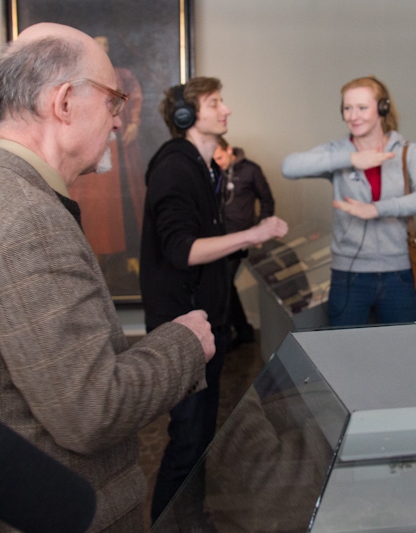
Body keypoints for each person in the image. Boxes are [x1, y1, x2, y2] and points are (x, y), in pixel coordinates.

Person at [0, 23, 216, 532]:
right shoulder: (28, 219)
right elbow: (94, 411)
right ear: (65, 102)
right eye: (113, 101)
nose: (118, 120)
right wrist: (185, 343)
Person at [141, 77, 288, 521]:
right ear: (186, 116)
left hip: (207, 322)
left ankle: (192, 520)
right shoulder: (175, 168)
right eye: (214, 102)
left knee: (199, 437)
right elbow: (183, 250)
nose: (226, 110)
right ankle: (171, 525)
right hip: (183, 329)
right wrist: (254, 233)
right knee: (188, 439)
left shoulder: (205, 168)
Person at [281, 75, 416, 326]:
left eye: (362, 107)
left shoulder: (406, 151)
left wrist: (376, 209)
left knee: (400, 346)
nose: (353, 116)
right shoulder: (337, 152)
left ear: (382, 108)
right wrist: (350, 159)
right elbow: (289, 167)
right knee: (344, 347)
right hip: (348, 276)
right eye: (347, 108)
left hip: (398, 274)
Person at [68, 35, 146, 296]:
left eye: (106, 45)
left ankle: (127, 262)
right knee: (98, 212)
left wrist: (133, 123)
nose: (104, 49)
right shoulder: (79, 80)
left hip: (123, 150)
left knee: (127, 203)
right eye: (99, 45)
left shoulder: (123, 75)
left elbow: (135, 97)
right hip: (96, 153)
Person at [213, 136, 276, 349]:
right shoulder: (213, 172)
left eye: (220, 158)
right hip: (218, 238)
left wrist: (261, 230)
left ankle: (233, 332)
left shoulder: (251, 170)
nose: (218, 162)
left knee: (224, 284)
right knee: (223, 285)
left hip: (241, 238)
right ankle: (242, 331)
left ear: (229, 150)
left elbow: (267, 200)